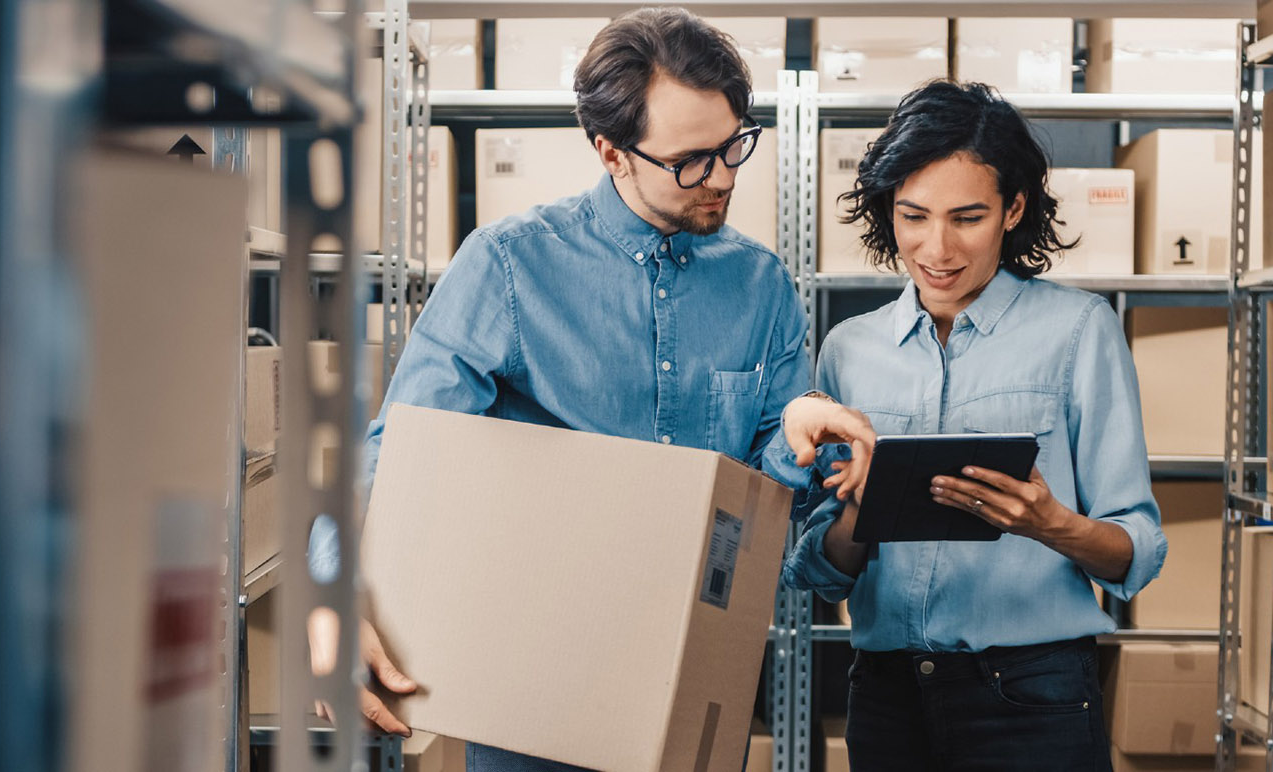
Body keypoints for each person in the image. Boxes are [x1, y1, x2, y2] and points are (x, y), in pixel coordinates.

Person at [305, 8, 876, 771]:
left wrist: (799, 440)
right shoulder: (509, 267)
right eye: (692, 161)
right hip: (534, 688)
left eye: (735, 145)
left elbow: (770, 509)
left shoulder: (762, 286)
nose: (725, 178)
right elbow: (400, 456)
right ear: (611, 151)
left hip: (700, 680)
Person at [782, 81, 1167, 771]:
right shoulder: (848, 348)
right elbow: (821, 574)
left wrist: (1051, 524)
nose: (937, 247)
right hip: (887, 695)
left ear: (1012, 208)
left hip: (1032, 696)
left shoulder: (1081, 331)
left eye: (967, 217)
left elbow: (1135, 551)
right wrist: (857, 512)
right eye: (913, 216)